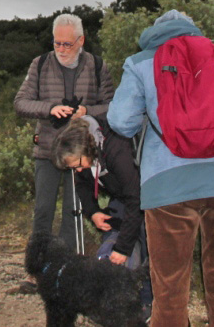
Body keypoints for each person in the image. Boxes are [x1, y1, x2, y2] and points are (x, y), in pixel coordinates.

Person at [107, 10, 214, 327]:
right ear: (192, 28)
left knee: (169, 289)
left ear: (155, 31)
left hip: (167, 184)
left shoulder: (139, 63)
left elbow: (120, 122)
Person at [14, 13, 114, 250]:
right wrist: (50, 109)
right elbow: (20, 103)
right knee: (43, 209)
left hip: (82, 151)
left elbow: (112, 107)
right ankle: (39, 262)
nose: (61, 49)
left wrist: (87, 111)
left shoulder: (98, 66)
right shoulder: (39, 64)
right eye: (56, 43)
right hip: (47, 149)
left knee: (75, 210)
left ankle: (69, 261)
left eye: (67, 44)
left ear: (81, 40)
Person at [52, 116, 153, 314]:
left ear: (85, 149)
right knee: (113, 233)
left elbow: (136, 199)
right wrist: (93, 212)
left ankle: (149, 302)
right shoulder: (85, 155)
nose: (78, 170)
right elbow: (82, 184)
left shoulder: (116, 149)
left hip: (146, 195)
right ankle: (120, 301)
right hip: (122, 197)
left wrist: (122, 248)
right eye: (72, 168)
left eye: (77, 164)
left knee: (148, 243)